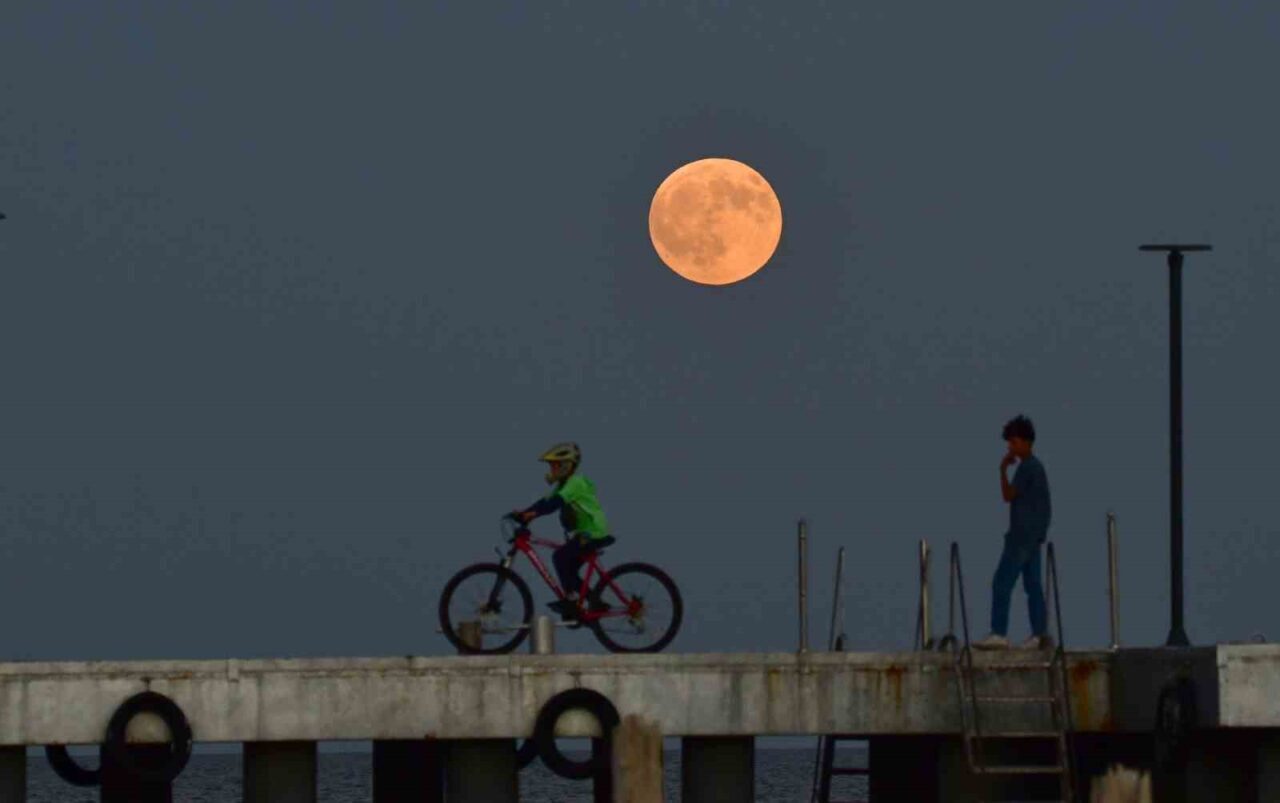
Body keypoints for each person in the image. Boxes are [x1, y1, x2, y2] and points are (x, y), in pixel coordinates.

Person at [974, 415, 1053, 650]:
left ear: (1026, 442)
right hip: (1033, 537)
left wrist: (1002, 469)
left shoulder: (1028, 467)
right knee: (1033, 586)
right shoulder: (1036, 468)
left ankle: (999, 633)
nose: (1011, 447)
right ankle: (1039, 635)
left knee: (1002, 582)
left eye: (1014, 442)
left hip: (1021, 537)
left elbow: (1008, 495)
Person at [510, 442, 612, 620]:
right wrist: (525, 513)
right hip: (585, 534)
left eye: (554, 465)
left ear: (566, 465)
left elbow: (554, 503)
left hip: (593, 533)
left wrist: (532, 514)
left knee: (560, 557)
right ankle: (595, 602)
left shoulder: (575, 483)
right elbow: (544, 502)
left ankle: (571, 601)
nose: (551, 469)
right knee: (569, 571)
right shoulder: (563, 485)